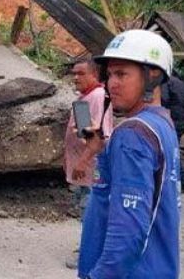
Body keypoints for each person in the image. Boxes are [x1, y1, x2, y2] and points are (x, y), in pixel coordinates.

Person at [77, 30, 180, 278]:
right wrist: (102, 152)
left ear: (152, 76)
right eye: (110, 74)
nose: (112, 83)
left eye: (122, 73)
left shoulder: (132, 133)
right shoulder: (162, 124)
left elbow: (129, 229)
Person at [63, 58, 113, 270]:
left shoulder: (99, 97)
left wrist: (82, 163)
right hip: (81, 166)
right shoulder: (85, 97)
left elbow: (97, 137)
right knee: (84, 209)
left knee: (90, 211)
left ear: (94, 74)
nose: (76, 77)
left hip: (90, 168)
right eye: (74, 73)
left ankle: (88, 251)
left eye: (81, 73)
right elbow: (83, 131)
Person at [161, 72, 184, 192]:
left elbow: (164, 99)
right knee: (173, 148)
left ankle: (183, 182)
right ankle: (182, 182)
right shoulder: (182, 83)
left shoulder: (165, 82)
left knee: (170, 150)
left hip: (174, 119)